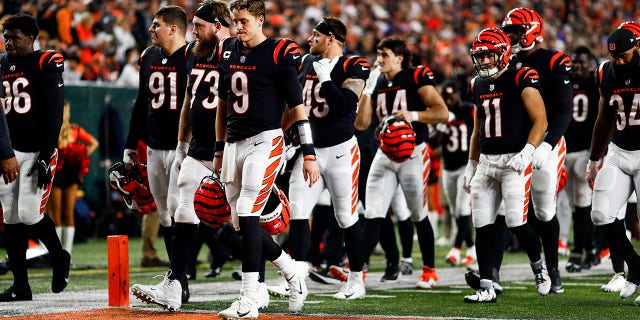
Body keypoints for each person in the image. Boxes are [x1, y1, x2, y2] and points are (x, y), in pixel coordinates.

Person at [213, 0, 320, 318]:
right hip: (234, 143)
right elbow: (222, 103)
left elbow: (297, 107)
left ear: (260, 21)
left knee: (247, 212)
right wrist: (219, 149)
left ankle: (248, 299)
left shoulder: (278, 52)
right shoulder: (226, 49)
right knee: (239, 224)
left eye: (244, 20)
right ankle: (291, 270)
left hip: (266, 141)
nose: (238, 26)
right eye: (235, 20)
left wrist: (309, 153)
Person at [131, 1, 234, 311]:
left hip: (237, 146)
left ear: (217, 26)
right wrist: (181, 146)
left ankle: (281, 269)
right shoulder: (193, 53)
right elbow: (189, 102)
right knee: (182, 210)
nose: (194, 32)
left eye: (199, 26)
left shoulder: (239, 52)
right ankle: (175, 285)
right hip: (196, 146)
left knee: (245, 218)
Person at [268, 17, 368, 300]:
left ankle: (356, 280)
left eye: (316, 34)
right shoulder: (305, 63)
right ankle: (296, 279)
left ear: (331, 39)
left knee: (346, 216)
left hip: (341, 151)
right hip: (309, 150)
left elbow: (345, 105)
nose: (310, 38)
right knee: (298, 212)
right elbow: (295, 106)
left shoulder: (354, 65)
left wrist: (326, 78)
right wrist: (281, 135)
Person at [462, 27, 551, 303]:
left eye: (489, 55)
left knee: (515, 221)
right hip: (487, 161)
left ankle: (539, 267)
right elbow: (478, 129)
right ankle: (486, 286)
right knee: (482, 223)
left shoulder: (522, 77)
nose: (484, 61)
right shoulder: (477, 84)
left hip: (514, 160)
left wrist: (528, 151)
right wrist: (472, 162)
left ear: (502, 54)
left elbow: (541, 120)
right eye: (480, 56)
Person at [354, 37, 449, 290]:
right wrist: (367, 90)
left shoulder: (416, 76)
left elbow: (442, 112)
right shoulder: (377, 81)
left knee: (418, 214)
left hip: (413, 153)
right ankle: (357, 276)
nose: (379, 59)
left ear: (399, 57)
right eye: (378, 54)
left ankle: (429, 271)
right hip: (384, 154)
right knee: (373, 213)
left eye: (384, 54)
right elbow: (361, 124)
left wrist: (414, 115)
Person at [501, 7, 573, 294]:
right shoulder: (507, 61)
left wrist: (546, 144)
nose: (511, 36)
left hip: (546, 141)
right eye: (509, 31)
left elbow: (564, 111)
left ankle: (553, 269)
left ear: (531, 31)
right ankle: (491, 273)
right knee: (508, 210)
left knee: (543, 210)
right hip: (513, 143)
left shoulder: (554, 60)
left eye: (516, 31)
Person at [0, 13, 70, 301]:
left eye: (14, 37)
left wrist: (46, 154)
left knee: (29, 214)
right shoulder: (1, 64)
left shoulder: (45, 62)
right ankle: (21, 285)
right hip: (8, 150)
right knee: (11, 217)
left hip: (36, 149)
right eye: (5, 36)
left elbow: (54, 114)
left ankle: (59, 256)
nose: (8, 42)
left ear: (31, 37)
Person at [123, 4, 189, 302]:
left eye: (157, 24)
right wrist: (129, 144)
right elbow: (141, 102)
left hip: (181, 147)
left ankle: (178, 278)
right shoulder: (149, 56)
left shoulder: (192, 57)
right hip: (153, 146)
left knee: (178, 209)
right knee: (163, 214)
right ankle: (178, 279)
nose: (151, 29)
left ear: (173, 28)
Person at [587, 27, 640, 305]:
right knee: (600, 214)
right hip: (619, 151)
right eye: (615, 57)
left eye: (624, 56)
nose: (619, 61)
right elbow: (604, 119)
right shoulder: (606, 72)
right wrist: (594, 159)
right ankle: (635, 266)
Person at [45, 101, 99, 256]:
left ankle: (66, 254)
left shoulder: (74, 130)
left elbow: (94, 143)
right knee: (55, 213)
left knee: (68, 212)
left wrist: (80, 157)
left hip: (70, 175)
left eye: (66, 110)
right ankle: (55, 253)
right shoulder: (51, 128)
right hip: (56, 174)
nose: (65, 113)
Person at [562, 46, 599, 273]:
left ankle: (577, 252)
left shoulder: (596, 83)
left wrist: (598, 152)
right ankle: (591, 248)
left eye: (582, 62)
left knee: (583, 201)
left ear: (590, 63)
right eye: (574, 62)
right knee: (576, 204)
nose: (577, 65)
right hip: (565, 150)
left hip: (586, 150)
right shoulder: (564, 82)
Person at [437, 81, 476, 267]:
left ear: (459, 94)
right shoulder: (443, 112)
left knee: (462, 209)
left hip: (464, 167)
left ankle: (456, 249)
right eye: (446, 96)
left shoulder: (469, 110)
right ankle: (471, 246)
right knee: (456, 212)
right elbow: (433, 142)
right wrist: (441, 126)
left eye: (451, 95)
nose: (449, 98)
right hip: (448, 168)